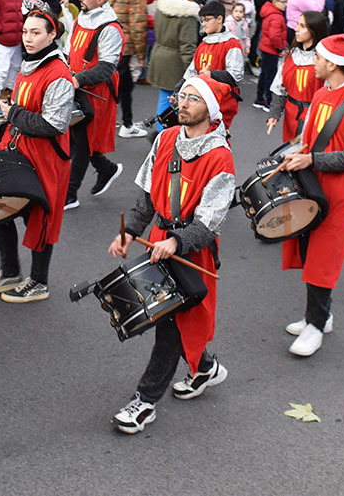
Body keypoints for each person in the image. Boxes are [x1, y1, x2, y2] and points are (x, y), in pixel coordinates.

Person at [108, 73, 236, 434]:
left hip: (191, 251)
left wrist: (177, 241)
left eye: (193, 99)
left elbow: (209, 222)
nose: (181, 103)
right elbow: (148, 195)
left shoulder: (220, 158)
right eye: (181, 96)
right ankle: (206, 367)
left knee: (170, 326)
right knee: (170, 320)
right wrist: (130, 231)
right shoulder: (165, 139)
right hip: (160, 241)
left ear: (210, 112)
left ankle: (145, 402)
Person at [280, 34, 344, 356]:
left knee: (323, 258)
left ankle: (316, 325)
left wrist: (311, 160)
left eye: (319, 59)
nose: (314, 64)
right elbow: (309, 140)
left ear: (332, 63)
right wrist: (291, 156)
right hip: (312, 185)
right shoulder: (322, 93)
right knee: (309, 251)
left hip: (338, 193)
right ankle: (320, 314)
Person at [0, 10, 75, 303]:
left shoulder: (59, 74)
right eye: (25, 32)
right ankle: (10, 271)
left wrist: (13, 113)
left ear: (51, 35)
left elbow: (53, 125)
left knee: (40, 217)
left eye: (36, 33)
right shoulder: (28, 66)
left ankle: (39, 282)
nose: (28, 39)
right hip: (17, 150)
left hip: (46, 158)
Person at [66, 0, 126, 208]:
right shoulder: (81, 18)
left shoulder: (110, 28)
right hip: (77, 86)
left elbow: (107, 66)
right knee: (77, 138)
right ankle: (106, 168)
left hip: (96, 92)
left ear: (100, 0)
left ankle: (70, 195)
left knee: (81, 142)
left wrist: (78, 80)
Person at [177, 0, 246, 129]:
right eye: (202, 21)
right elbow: (192, 71)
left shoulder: (232, 43)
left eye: (207, 20)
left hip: (222, 104)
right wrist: (180, 88)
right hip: (200, 103)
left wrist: (211, 74)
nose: (204, 24)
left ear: (219, 19)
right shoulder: (203, 44)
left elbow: (236, 75)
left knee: (215, 140)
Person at [266, 10, 330, 142]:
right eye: (297, 25)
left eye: (302, 26)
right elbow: (280, 87)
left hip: (314, 118)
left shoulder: (324, 61)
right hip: (291, 114)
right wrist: (275, 113)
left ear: (314, 30)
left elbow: (329, 95)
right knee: (289, 154)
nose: (296, 30)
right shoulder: (291, 55)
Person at [149, 0, 202, 126]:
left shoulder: (163, 6)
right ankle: (165, 137)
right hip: (174, 62)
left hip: (159, 54)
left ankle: (161, 134)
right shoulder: (187, 15)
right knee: (175, 101)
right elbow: (187, 46)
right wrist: (192, 72)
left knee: (164, 97)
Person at [108, 0, 149, 138]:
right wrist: (141, 56)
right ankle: (127, 124)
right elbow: (138, 28)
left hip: (105, 44)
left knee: (106, 87)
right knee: (125, 90)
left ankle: (110, 123)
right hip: (124, 48)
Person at [253, 0, 289, 112]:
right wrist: (279, 48)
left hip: (265, 47)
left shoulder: (268, 13)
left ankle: (259, 98)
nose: (285, 4)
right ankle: (268, 100)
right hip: (272, 49)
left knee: (264, 74)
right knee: (271, 76)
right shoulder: (277, 17)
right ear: (275, 2)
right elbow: (274, 36)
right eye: (283, 2)